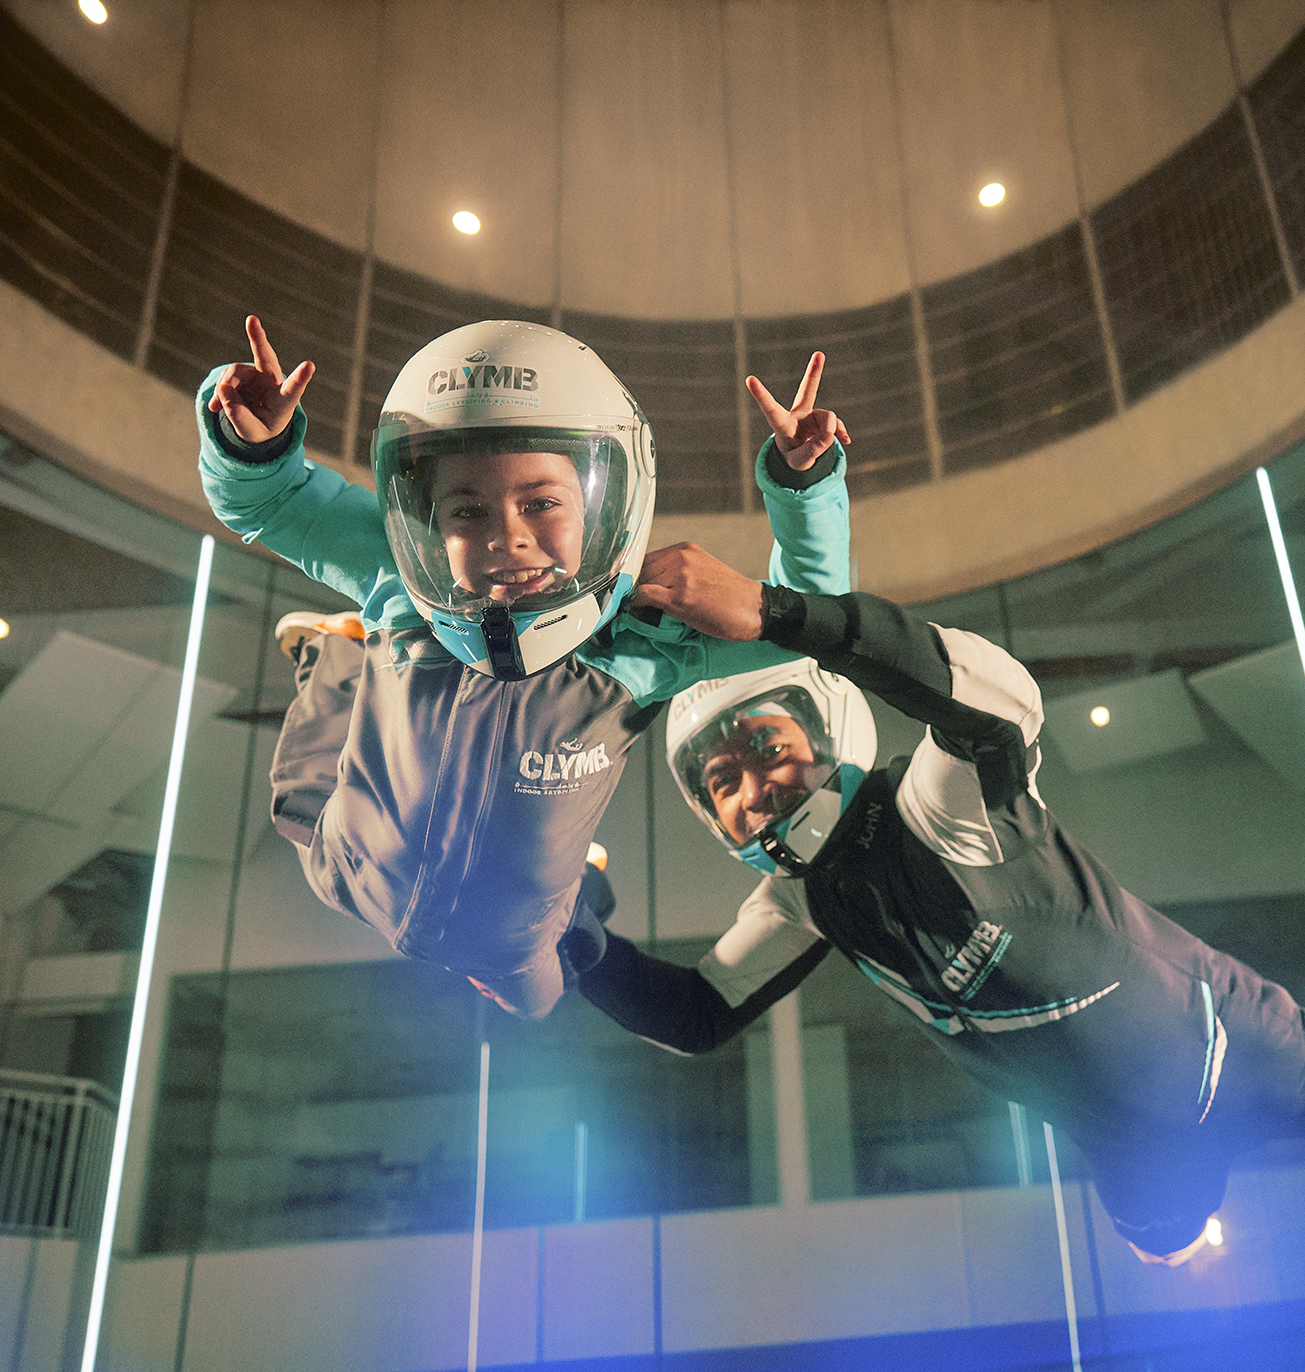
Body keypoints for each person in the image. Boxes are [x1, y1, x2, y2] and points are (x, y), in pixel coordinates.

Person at [570, 547, 1305, 1265]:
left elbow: (998, 701)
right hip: (1137, 1141)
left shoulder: (938, 802)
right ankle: (1177, 1228)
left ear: (823, 730)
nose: (748, 787)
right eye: (718, 784)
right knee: (1156, 1240)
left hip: (1253, 1056)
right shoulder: (798, 907)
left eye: (762, 750)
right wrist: (560, 935)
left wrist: (784, 617)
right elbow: (692, 1013)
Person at [200, 315, 854, 1018]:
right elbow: (269, 499)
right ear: (424, 521)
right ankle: (328, 654)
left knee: (539, 1002)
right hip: (350, 862)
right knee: (298, 800)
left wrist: (805, 484)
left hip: (506, 937)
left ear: (604, 510)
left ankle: (341, 653)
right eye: (467, 510)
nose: (506, 535)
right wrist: (247, 442)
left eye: (540, 503)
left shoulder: (638, 646)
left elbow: (808, 623)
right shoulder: (401, 579)